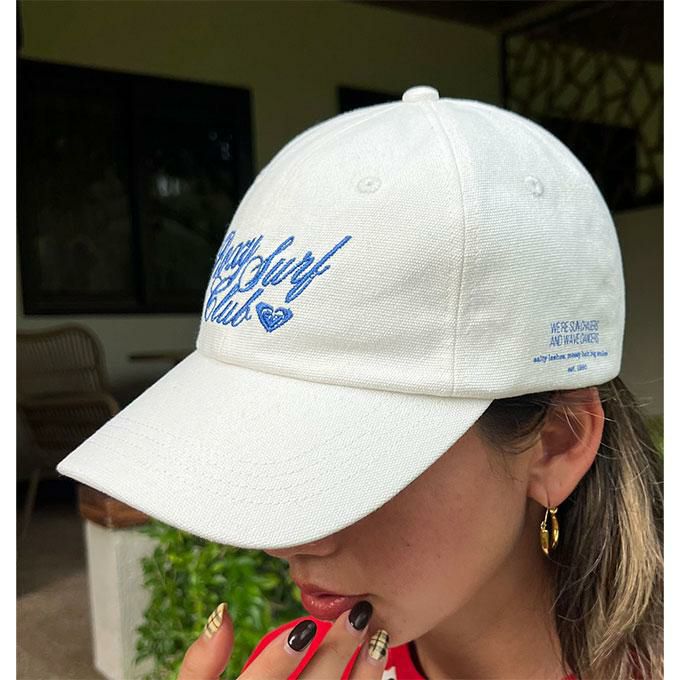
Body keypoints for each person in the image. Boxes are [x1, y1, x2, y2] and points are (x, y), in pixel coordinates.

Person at [56, 86, 663, 679]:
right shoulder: (306, 669)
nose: (283, 543)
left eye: (353, 464)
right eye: (260, 447)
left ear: (556, 442)